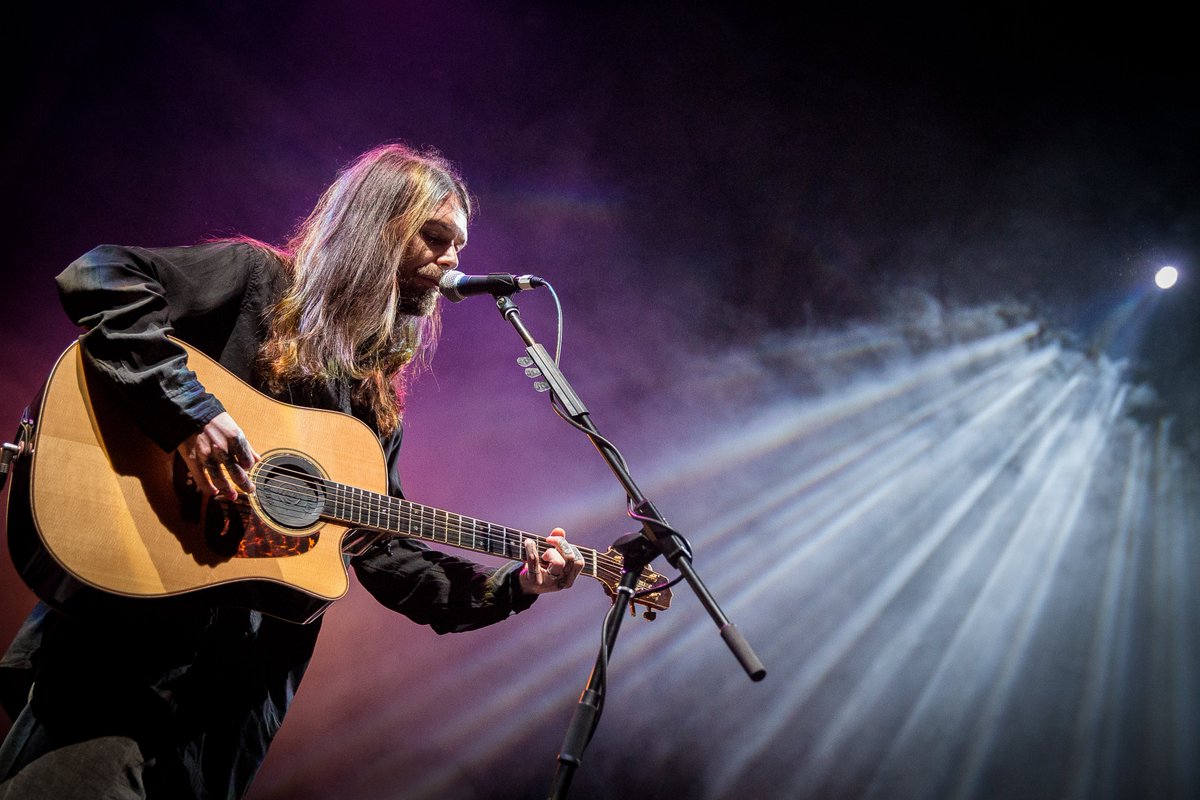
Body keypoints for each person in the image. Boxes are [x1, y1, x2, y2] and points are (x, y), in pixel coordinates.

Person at [0, 143, 585, 799]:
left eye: (458, 245)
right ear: (377, 223)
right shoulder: (254, 281)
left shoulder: (373, 404)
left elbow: (385, 555)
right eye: (436, 236)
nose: (453, 261)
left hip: (226, 705)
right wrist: (188, 416)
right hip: (124, 653)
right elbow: (100, 277)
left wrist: (518, 585)